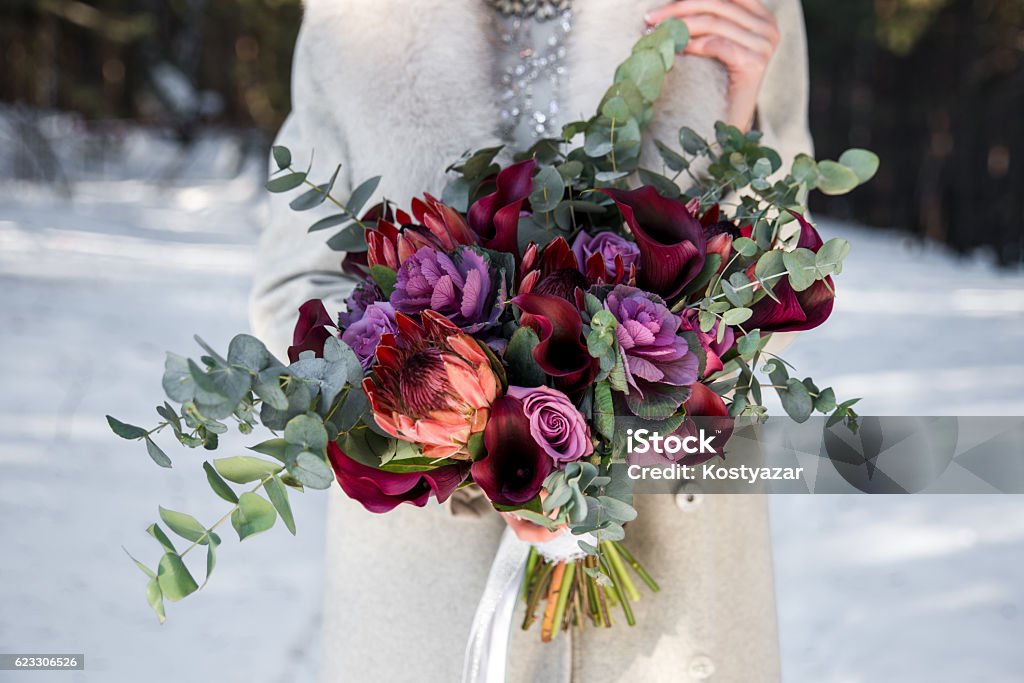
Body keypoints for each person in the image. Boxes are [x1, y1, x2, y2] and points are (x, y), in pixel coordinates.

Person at [250, 1, 813, 680]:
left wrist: (743, 114)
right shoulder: (355, 13)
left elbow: (788, 280)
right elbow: (295, 287)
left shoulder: (743, 9)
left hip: (673, 562)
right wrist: (462, 429)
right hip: (428, 586)